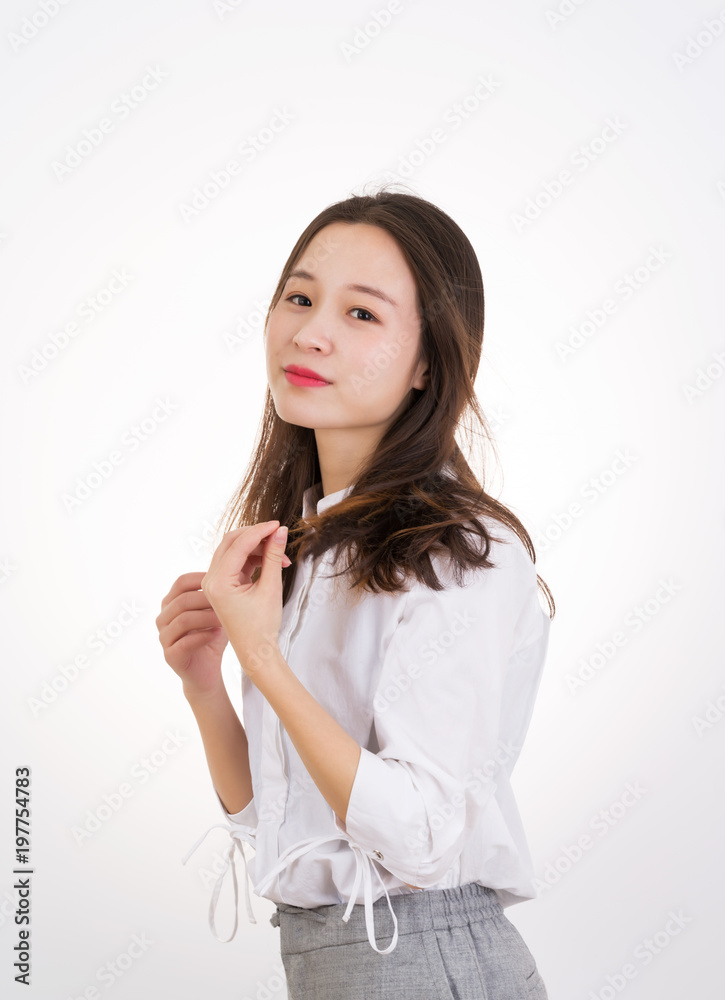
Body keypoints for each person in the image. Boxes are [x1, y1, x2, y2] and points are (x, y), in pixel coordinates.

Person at [156, 186, 555, 999]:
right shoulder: (304, 542)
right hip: (328, 960)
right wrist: (207, 686)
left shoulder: (457, 553)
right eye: (299, 298)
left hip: (421, 959)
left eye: (362, 315)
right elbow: (279, 826)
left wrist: (264, 658)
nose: (310, 332)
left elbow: (418, 838)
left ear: (428, 365)